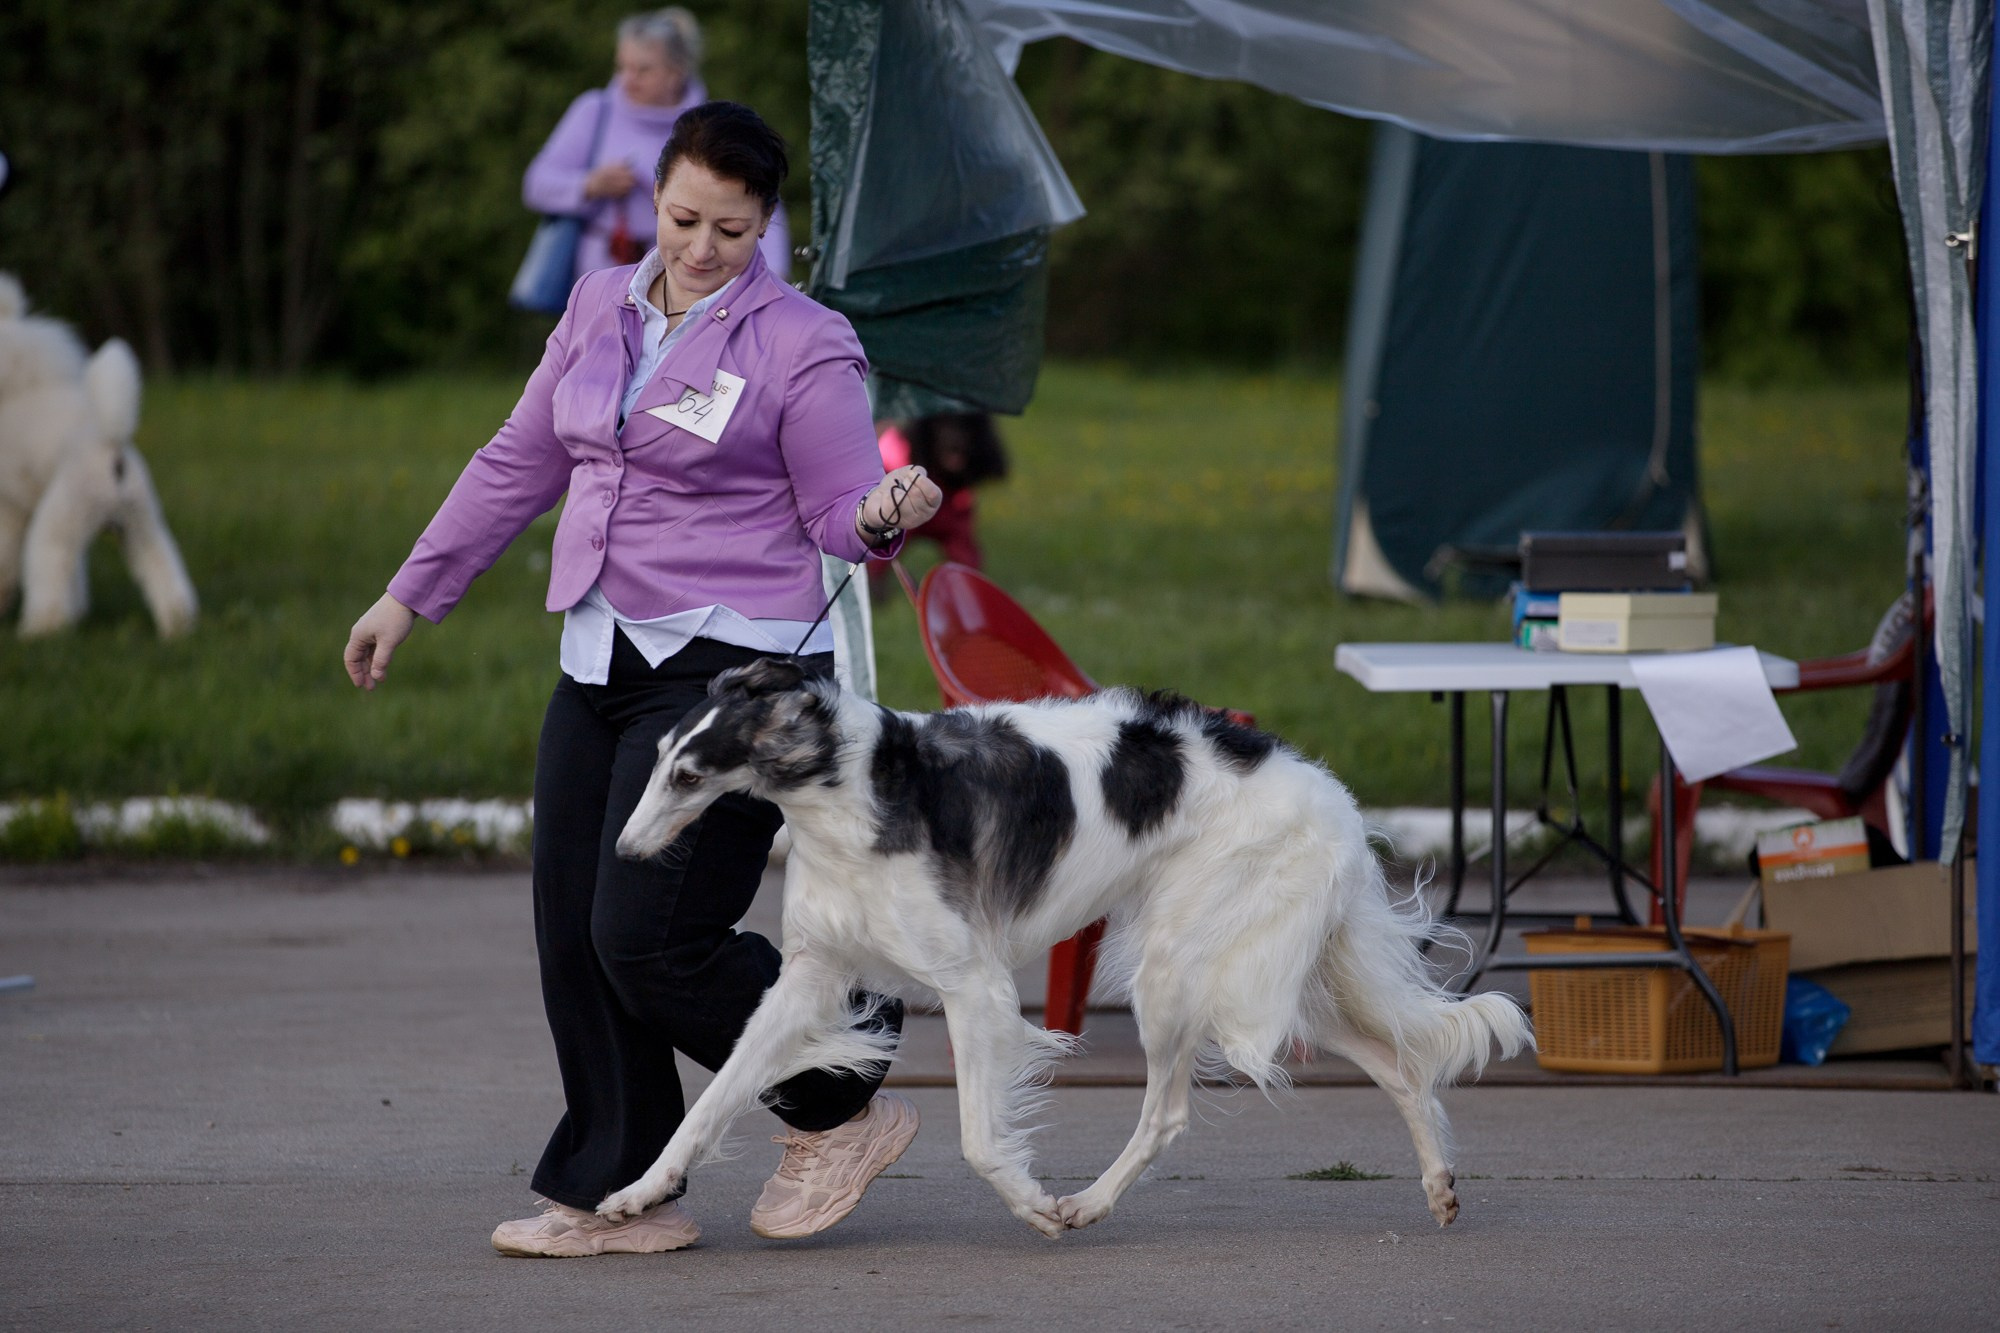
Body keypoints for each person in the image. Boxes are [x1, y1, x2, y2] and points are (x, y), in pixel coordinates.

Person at [345, 101, 942, 1258]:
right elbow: (519, 458)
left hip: (733, 675)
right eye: (682, 218)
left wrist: (881, 511)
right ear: (653, 199)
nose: (702, 246)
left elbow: (836, 513)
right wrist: (409, 593)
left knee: (649, 936)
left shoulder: (800, 340)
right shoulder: (596, 304)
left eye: (731, 227)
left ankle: (845, 1094)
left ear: (765, 223)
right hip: (601, 652)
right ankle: (618, 1188)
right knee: (574, 932)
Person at [523, 9, 790, 288]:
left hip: (681, 274)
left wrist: (773, 276)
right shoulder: (595, 111)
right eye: (622, 67)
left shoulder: (707, 124)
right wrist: (590, 185)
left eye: (643, 69)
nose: (628, 79)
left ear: (675, 73)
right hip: (594, 273)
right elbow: (536, 183)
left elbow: (755, 198)